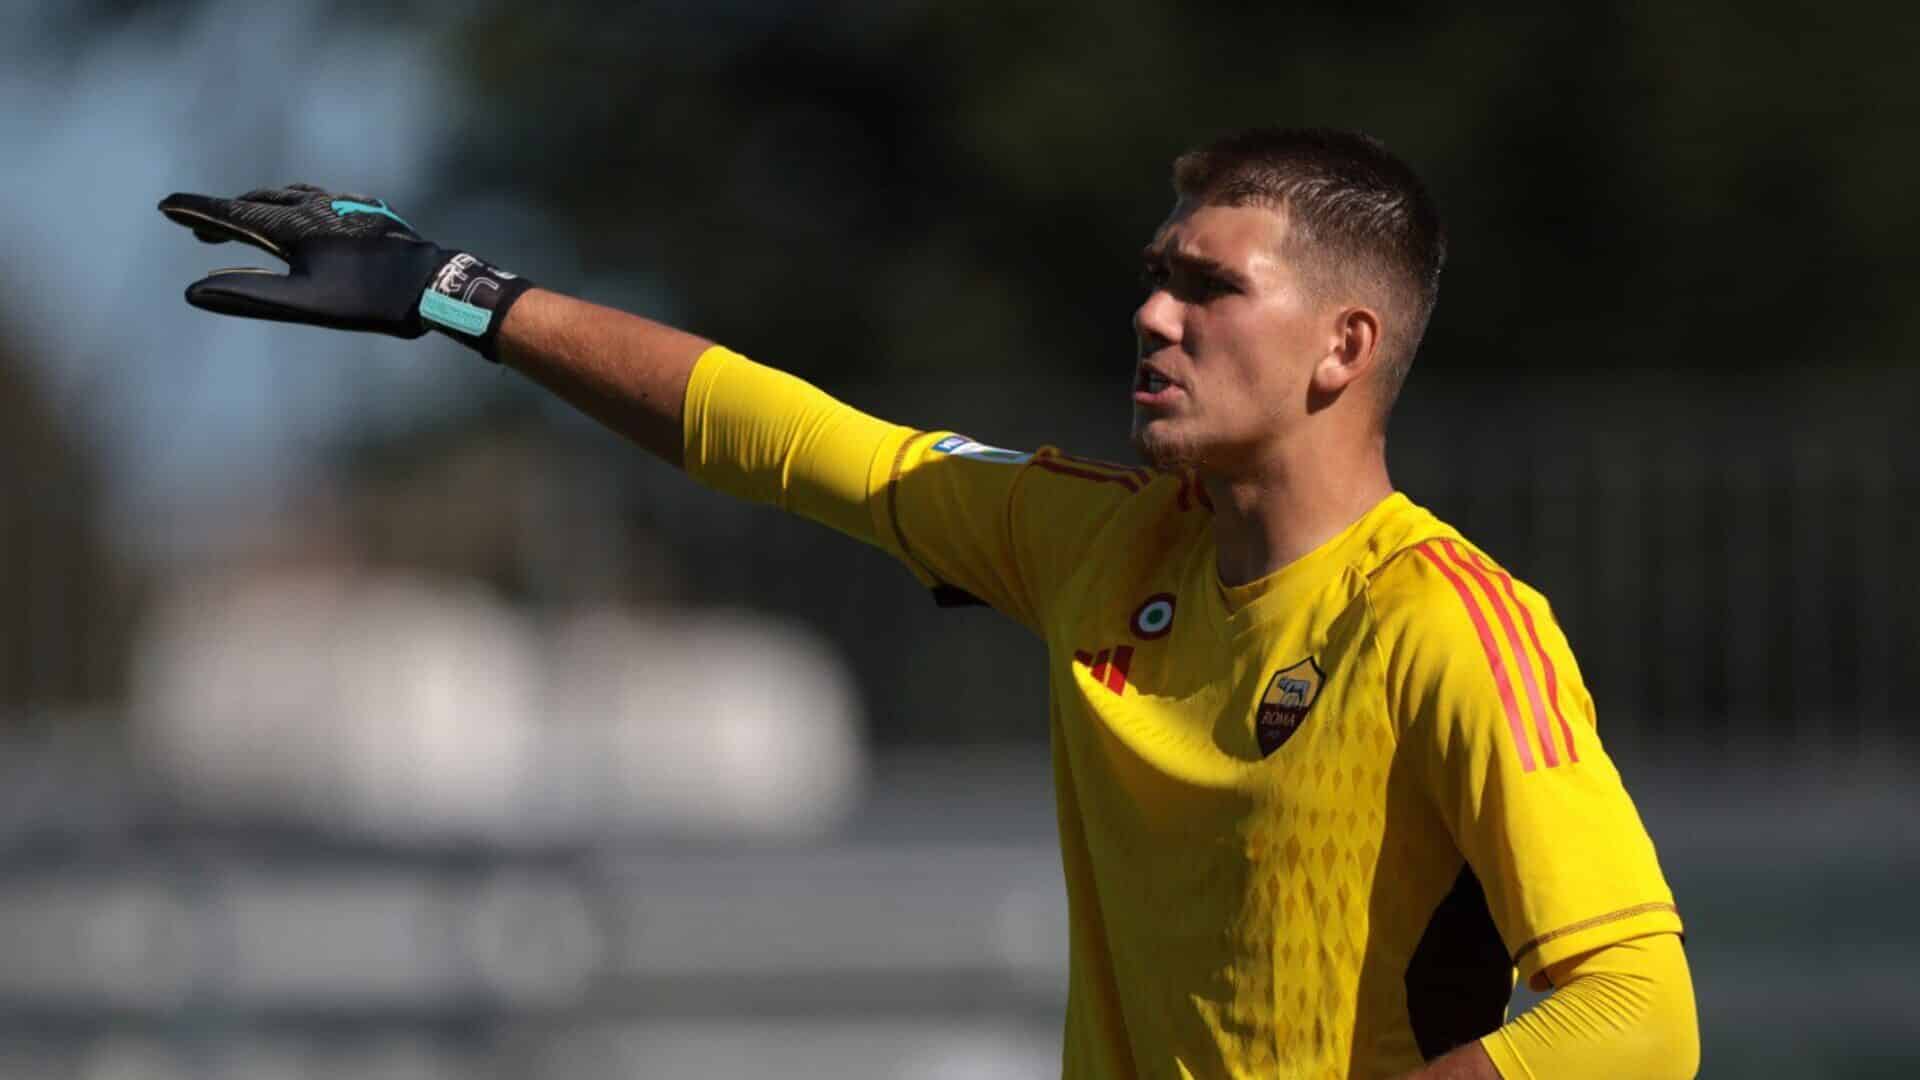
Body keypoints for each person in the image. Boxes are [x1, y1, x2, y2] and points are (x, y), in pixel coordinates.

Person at [159, 127, 1697, 1079]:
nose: (1154, 313)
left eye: (1212, 287)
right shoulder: (1099, 544)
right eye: (1155, 275)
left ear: (1343, 348)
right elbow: (792, 437)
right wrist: (461, 295)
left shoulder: (1447, 623)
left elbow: (1638, 1014)